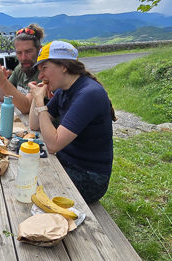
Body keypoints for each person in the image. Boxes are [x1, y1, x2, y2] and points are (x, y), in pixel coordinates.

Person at [28, 41, 117, 202]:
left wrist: (41, 103)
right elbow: (35, 125)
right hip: (66, 162)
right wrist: (37, 96)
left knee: (30, 178)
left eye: (44, 68)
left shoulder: (89, 94)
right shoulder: (64, 90)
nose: (40, 76)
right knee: (25, 164)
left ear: (64, 66)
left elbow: (53, 145)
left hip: (90, 177)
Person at [0, 23, 46, 114]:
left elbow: (26, 107)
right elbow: (2, 97)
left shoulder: (43, 73)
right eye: (19, 53)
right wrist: (1, 82)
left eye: (28, 51)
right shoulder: (20, 68)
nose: (23, 57)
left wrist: (3, 82)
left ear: (39, 50)